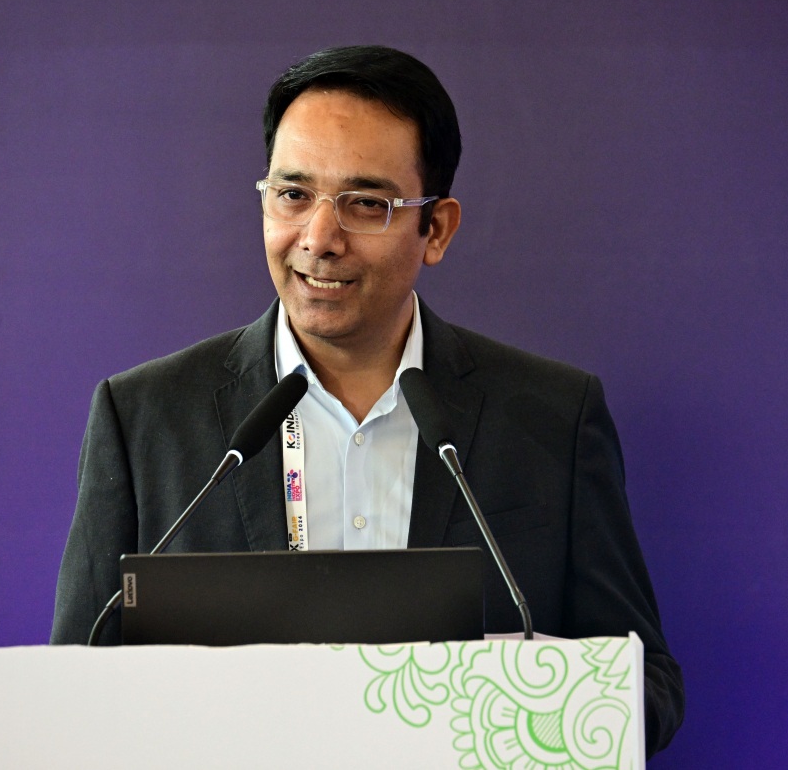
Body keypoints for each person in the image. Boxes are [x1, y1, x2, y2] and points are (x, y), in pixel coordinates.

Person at [50, 45, 684, 754]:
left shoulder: (552, 418)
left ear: (435, 228)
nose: (320, 239)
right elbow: (74, 684)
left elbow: (647, 682)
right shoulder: (144, 420)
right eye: (293, 194)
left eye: (365, 204)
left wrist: (517, 704)